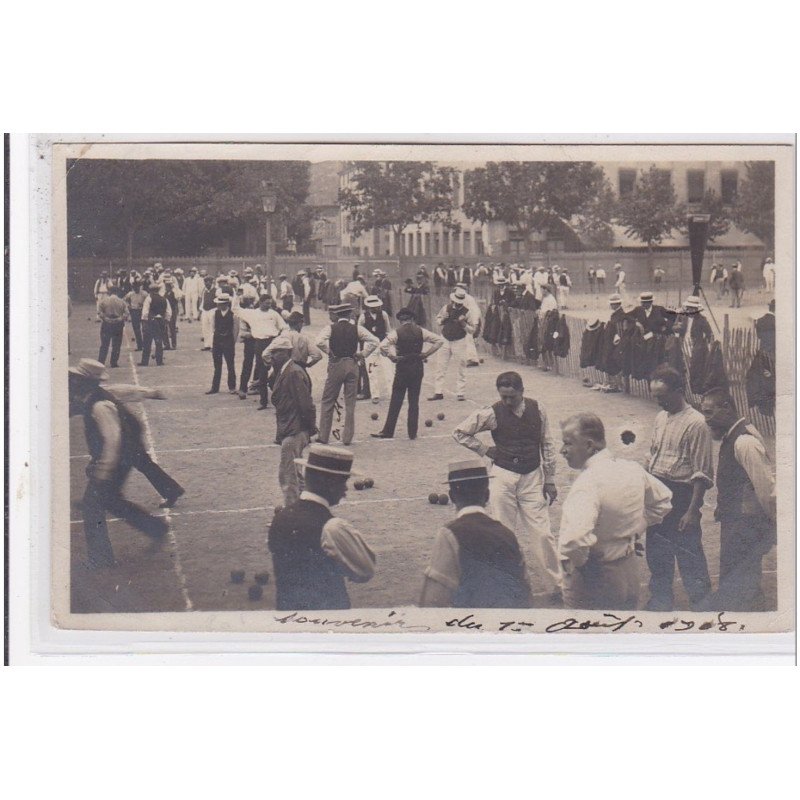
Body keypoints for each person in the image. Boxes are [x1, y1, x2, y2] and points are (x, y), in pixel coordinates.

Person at [452, 370, 561, 598]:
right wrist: (484, 449)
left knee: (542, 534)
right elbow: (460, 432)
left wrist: (550, 479)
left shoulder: (538, 409)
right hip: (502, 477)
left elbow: (547, 443)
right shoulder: (492, 412)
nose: (508, 401)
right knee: (504, 535)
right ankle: (510, 587)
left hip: (532, 477)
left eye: (512, 396)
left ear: (522, 391)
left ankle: (557, 586)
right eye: (504, 397)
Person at [558, 413, 672, 610]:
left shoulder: (587, 483)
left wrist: (585, 566)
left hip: (595, 579)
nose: (563, 450)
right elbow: (663, 501)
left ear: (588, 445)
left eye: (568, 443)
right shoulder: (631, 468)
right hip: (628, 572)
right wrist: (635, 530)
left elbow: (574, 540)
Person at [69, 359, 169, 568]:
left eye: (77, 378)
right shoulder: (93, 396)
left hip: (117, 458)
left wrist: (103, 470)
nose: (73, 381)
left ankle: (102, 559)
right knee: (111, 500)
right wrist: (149, 392)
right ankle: (156, 528)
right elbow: (121, 390)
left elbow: (113, 440)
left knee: (93, 505)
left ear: (87, 381)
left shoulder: (100, 405)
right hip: (119, 456)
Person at [268, 445, 376, 610]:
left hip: (287, 616)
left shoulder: (280, 518)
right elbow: (365, 570)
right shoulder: (332, 527)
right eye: (343, 482)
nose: (346, 489)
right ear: (329, 483)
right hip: (329, 618)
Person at [645, 364, 715, 611]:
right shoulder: (660, 417)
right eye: (655, 397)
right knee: (657, 551)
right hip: (658, 493)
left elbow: (702, 472)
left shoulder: (696, 423)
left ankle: (702, 603)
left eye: (662, 397)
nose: (658, 402)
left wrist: (692, 510)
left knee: (688, 553)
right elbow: (653, 455)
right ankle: (661, 599)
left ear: (679, 391)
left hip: (683, 494)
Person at [700, 389, 776, 611]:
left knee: (743, 582)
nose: (706, 420)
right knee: (739, 580)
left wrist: (775, 523)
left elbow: (766, 488)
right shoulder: (734, 436)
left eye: (709, 413)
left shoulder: (744, 441)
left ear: (726, 408)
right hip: (735, 523)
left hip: (745, 526)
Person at [419, 459, 532, 608]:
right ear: (487, 495)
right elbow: (526, 593)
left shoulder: (449, 535)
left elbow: (433, 600)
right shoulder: (508, 535)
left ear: (452, 497)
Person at [371, 307, 444, 441]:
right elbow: (439, 341)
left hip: (402, 366)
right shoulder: (421, 331)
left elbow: (382, 346)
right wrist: (426, 354)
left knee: (396, 399)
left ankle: (388, 431)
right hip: (417, 366)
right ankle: (412, 433)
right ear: (412, 319)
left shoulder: (396, 333)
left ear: (401, 320)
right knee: (414, 400)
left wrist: (391, 357)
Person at [315, 304, 380, 445]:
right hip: (352, 364)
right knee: (350, 403)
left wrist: (329, 351)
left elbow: (318, 341)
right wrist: (362, 354)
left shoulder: (330, 328)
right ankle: (347, 438)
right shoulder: (357, 328)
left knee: (328, 400)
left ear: (337, 315)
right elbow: (375, 341)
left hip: (336, 364)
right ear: (350, 314)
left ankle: (324, 436)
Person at [269, 334, 318, 506]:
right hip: (291, 428)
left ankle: (292, 513)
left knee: (287, 474)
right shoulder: (285, 371)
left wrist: (309, 429)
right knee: (295, 473)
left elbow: (305, 404)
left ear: (287, 352)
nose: (272, 356)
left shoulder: (293, 373)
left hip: (294, 430)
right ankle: (305, 508)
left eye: (276, 352)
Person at [234, 293, 286, 408]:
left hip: (273, 342)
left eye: (270, 303)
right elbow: (236, 309)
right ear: (261, 302)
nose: (269, 305)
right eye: (267, 303)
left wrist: (280, 338)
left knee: (278, 369)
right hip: (259, 343)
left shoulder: (274, 314)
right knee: (262, 372)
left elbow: (284, 327)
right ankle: (263, 401)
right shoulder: (252, 314)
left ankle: (281, 398)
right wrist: (236, 296)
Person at [428, 287, 475, 402]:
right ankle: (438, 392)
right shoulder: (446, 308)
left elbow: (472, 330)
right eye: (456, 302)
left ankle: (461, 392)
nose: (457, 304)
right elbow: (438, 320)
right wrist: (443, 319)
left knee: (461, 366)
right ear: (453, 300)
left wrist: (463, 323)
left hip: (459, 341)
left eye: (460, 303)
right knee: (441, 366)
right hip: (445, 339)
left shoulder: (467, 312)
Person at [357, 295, 394, 404]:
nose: (375, 308)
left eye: (377, 306)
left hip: (383, 344)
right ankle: (375, 394)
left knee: (388, 369)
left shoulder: (383, 314)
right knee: (371, 370)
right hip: (369, 346)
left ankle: (392, 393)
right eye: (372, 307)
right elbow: (359, 333)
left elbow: (388, 330)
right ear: (368, 307)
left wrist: (388, 344)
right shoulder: (363, 317)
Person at [205, 293, 238, 395]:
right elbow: (213, 328)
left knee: (230, 365)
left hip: (228, 342)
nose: (219, 305)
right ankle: (215, 388)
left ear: (227, 304)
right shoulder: (215, 314)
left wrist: (232, 342)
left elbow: (235, 330)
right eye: (218, 303)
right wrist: (212, 344)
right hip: (217, 342)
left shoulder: (234, 315)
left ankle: (232, 387)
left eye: (221, 303)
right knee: (217, 366)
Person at [97, 285, 128, 368]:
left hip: (107, 324)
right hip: (118, 324)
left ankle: (101, 362)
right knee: (116, 344)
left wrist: (105, 318)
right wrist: (120, 318)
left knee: (104, 344)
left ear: (109, 292)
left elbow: (99, 312)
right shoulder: (122, 302)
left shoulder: (104, 301)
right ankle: (113, 362)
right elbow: (126, 313)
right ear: (117, 292)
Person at [140, 284, 170, 367]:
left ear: (151, 291)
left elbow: (145, 312)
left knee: (147, 342)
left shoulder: (149, 298)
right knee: (159, 341)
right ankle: (159, 361)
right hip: (160, 322)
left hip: (151, 321)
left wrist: (144, 322)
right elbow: (168, 312)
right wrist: (166, 321)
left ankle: (145, 361)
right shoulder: (164, 299)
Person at [124, 280, 147, 352]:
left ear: (139, 287)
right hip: (134, 311)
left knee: (145, 329)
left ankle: (145, 344)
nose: (136, 288)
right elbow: (125, 300)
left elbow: (149, 301)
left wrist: (143, 305)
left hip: (142, 311)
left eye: (137, 287)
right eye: (134, 287)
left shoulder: (144, 294)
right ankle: (140, 345)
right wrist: (129, 306)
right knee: (136, 329)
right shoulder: (130, 294)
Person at [199, 275, 217, 351]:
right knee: (205, 328)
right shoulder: (204, 291)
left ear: (211, 282)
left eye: (208, 282)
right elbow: (203, 301)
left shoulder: (216, 290)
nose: (207, 283)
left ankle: (213, 346)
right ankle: (207, 345)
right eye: (205, 282)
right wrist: (200, 310)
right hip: (205, 311)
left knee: (212, 328)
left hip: (213, 310)